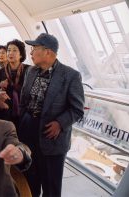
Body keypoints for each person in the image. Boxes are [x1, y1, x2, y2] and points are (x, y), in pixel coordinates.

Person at [19, 33, 84, 197]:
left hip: (51, 137)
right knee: (29, 180)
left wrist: (60, 123)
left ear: (47, 52)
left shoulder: (70, 76)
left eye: (34, 49)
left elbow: (77, 109)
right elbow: (23, 100)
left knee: (51, 186)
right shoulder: (31, 71)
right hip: (28, 133)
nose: (31, 53)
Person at [0, 39, 30, 129]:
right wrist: (0, 88)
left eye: (14, 50)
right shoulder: (1, 71)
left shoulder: (29, 70)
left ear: (21, 54)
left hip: (25, 110)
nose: (10, 53)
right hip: (6, 110)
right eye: (9, 50)